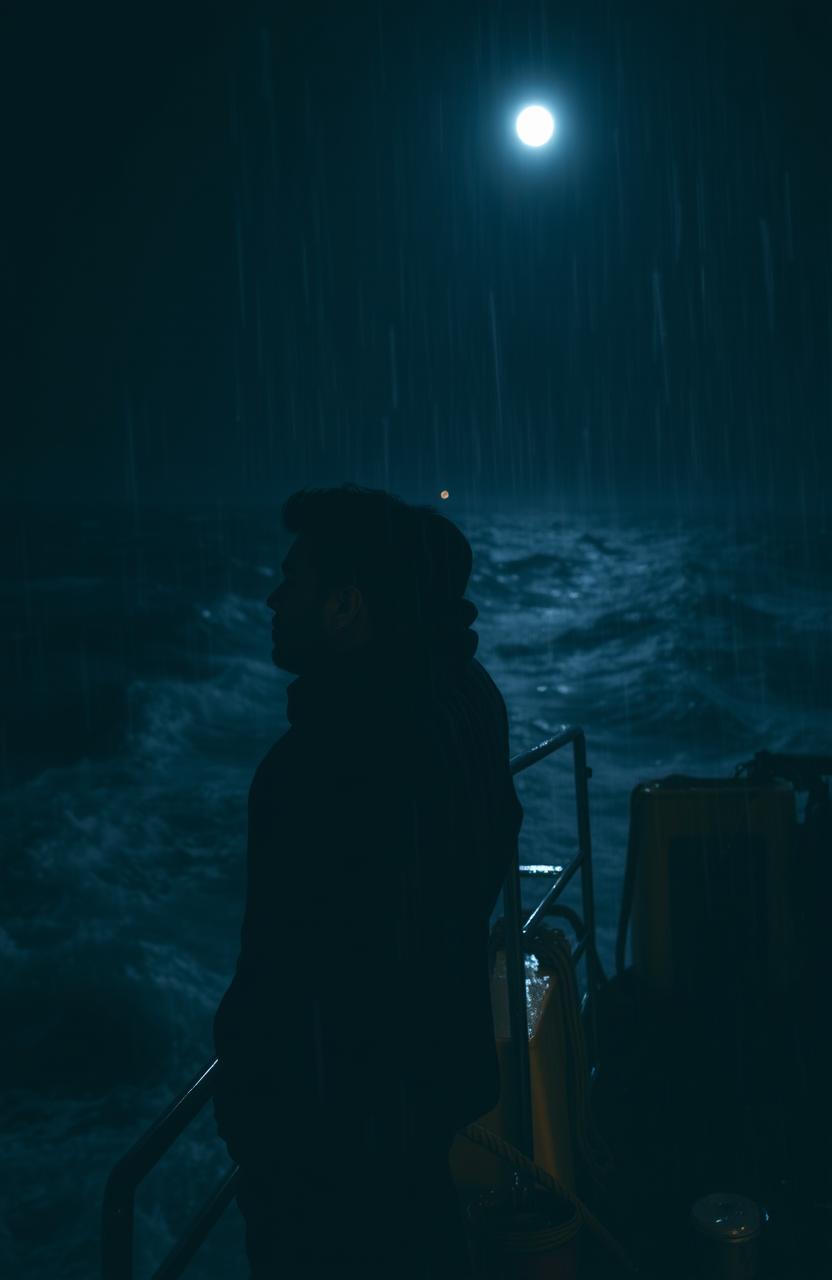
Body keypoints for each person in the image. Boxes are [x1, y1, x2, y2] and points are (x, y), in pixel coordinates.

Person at [212, 483, 524, 1277]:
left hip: (334, 1144)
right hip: (427, 1093)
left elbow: (288, 979)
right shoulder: (467, 700)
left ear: (346, 607)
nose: (274, 598)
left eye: (294, 579)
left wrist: (258, 1120)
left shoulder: (317, 766)